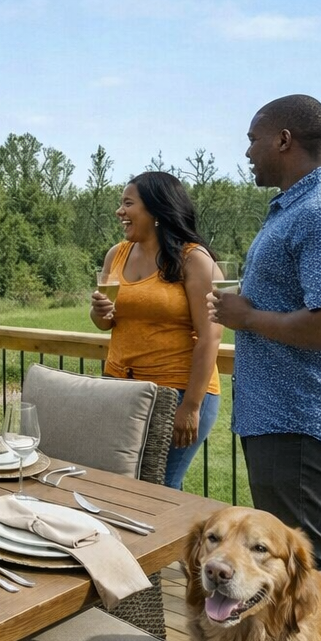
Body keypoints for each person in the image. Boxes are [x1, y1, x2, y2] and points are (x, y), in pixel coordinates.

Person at [210, 94, 321, 571]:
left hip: (303, 415)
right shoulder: (299, 208)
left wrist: (247, 318)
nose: (247, 153)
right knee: (287, 564)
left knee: (312, 566)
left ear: (283, 140)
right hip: (281, 416)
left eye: (252, 140)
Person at [90, 172, 223, 490]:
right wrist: (99, 313)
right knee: (120, 485)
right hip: (120, 389)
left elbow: (211, 336)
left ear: (156, 210)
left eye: (128, 203)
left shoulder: (193, 259)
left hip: (175, 393)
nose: (119, 212)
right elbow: (106, 322)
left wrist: (190, 406)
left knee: (159, 488)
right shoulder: (116, 255)